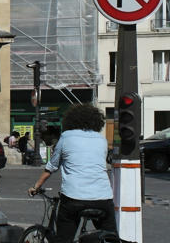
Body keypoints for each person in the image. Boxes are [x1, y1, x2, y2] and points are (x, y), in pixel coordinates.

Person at [27, 104, 116, 243]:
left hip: (74, 198)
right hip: (103, 197)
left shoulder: (66, 137)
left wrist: (36, 186)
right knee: (111, 237)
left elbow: (51, 167)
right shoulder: (101, 140)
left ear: (71, 121)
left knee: (64, 238)